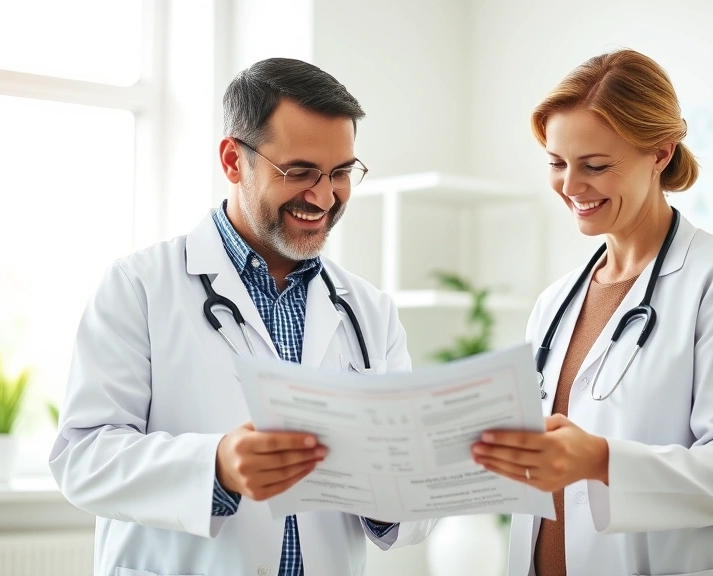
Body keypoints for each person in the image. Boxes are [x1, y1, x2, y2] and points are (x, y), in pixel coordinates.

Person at [50, 57, 434, 576]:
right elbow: (83, 456)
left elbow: (410, 494)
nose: (323, 197)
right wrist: (216, 466)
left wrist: (393, 492)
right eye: (298, 172)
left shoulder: (369, 311)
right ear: (234, 160)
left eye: (341, 173)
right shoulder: (139, 287)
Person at [470, 49, 713, 576]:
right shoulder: (554, 303)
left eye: (595, 166)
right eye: (556, 163)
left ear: (661, 152)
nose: (570, 187)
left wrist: (599, 460)